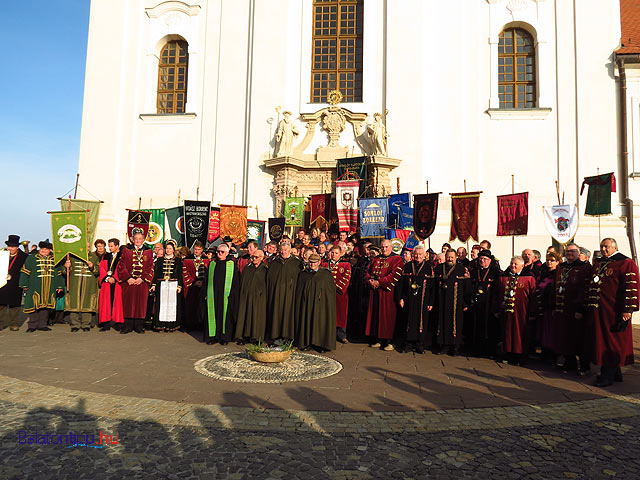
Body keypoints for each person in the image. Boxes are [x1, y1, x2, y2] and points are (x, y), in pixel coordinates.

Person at [588, 238, 639, 387]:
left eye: (607, 247)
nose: (603, 249)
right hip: (600, 311)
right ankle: (615, 373)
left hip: (615, 311)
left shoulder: (626, 263)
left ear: (615, 247)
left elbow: (632, 287)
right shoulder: (598, 263)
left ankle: (607, 375)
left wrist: (628, 309)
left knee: (612, 342)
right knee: (603, 341)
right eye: (602, 246)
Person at [553, 244, 592, 374]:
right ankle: (570, 363)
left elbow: (585, 289)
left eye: (573, 251)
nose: (569, 253)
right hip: (562, 309)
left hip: (576, 310)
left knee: (579, 338)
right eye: (567, 251)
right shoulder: (561, 267)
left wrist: (581, 309)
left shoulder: (585, 267)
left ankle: (584, 365)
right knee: (565, 337)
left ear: (578, 252)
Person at [494, 256, 536, 365]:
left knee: (520, 334)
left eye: (515, 264)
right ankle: (508, 354)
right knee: (507, 333)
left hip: (522, 313)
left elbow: (534, 297)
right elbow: (497, 295)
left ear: (522, 265)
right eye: (512, 263)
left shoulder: (529, 278)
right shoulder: (503, 278)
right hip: (506, 313)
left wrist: (532, 312)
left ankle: (520, 356)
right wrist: (497, 308)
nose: (513, 266)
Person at [365, 239, 404, 351]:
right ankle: (377, 339)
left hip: (388, 293)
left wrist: (380, 282)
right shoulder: (376, 259)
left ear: (391, 247)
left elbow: (394, 275)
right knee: (376, 316)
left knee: (387, 318)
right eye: (382, 247)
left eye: (386, 247)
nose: (384, 249)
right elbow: (368, 271)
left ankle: (389, 341)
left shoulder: (397, 259)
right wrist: (369, 281)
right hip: (375, 292)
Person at [19, 240, 64, 332]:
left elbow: (59, 273)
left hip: (50, 287)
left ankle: (42, 325)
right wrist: (24, 284)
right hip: (34, 286)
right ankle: (32, 325)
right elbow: (25, 272)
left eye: (46, 249)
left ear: (50, 250)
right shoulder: (31, 258)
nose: (43, 251)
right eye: (42, 249)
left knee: (46, 307)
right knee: (33, 306)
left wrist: (59, 286)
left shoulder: (55, 260)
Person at [295, 253, 336, 352]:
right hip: (306, 304)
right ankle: (306, 342)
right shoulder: (304, 274)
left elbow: (329, 293)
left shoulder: (326, 274)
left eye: (315, 262)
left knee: (320, 323)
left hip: (321, 305)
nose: (312, 264)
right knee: (307, 320)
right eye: (311, 262)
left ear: (319, 262)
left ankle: (320, 344)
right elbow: (300, 290)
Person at [397, 246, 434, 354]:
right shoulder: (408, 266)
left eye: (420, 254)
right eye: (416, 254)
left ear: (424, 256)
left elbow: (432, 287)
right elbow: (401, 285)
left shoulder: (428, 268)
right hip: (409, 299)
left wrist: (431, 302)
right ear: (413, 255)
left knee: (421, 321)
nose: (418, 256)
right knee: (409, 320)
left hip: (423, 301)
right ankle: (408, 343)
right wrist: (401, 298)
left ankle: (420, 344)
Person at [433, 249, 470, 355]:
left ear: (456, 258)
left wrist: (465, 303)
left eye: (452, 257)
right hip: (442, 301)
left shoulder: (461, 269)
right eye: (448, 257)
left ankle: (455, 347)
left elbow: (466, 287)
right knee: (443, 322)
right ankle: (444, 345)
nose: (450, 259)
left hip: (456, 302)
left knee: (455, 324)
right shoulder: (440, 268)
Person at [202, 243, 240, 345]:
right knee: (213, 315)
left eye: (222, 252)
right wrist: (205, 293)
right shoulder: (212, 264)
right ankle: (213, 337)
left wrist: (233, 295)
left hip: (226, 296)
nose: (219, 253)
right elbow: (206, 280)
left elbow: (236, 282)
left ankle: (224, 338)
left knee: (225, 317)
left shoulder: (231, 265)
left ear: (227, 253)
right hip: (213, 295)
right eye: (218, 251)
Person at [118, 232, 154, 334]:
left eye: (140, 239)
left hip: (141, 283)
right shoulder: (126, 250)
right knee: (128, 303)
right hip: (129, 283)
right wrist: (128, 278)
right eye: (136, 239)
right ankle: (127, 326)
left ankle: (139, 326)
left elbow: (150, 267)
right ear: (133, 239)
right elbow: (121, 265)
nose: (138, 241)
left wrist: (142, 279)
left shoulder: (148, 251)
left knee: (140, 304)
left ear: (143, 240)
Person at [266, 240, 302, 342]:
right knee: (275, 314)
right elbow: (270, 278)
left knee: (288, 315)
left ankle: (287, 336)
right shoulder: (274, 262)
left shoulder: (297, 263)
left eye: (285, 250)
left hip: (290, 295)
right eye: (281, 250)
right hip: (276, 294)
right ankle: (274, 335)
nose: (283, 252)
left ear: (290, 250)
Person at [468, 249, 501, 357]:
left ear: (490, 261)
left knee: (489, 327)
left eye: (485, 259)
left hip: (489, 304)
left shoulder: (495, 272)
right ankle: (476, 349)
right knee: (476, 326)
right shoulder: (473, 271)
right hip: (476, 304)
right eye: (481, 259)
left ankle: (489, 350)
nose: (482, 261)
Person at [532, 251, 562, 364]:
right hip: (542, 305)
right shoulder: (543, 272)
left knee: (552, 331)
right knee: (543, 330)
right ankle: (544, 352)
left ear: (558, 262)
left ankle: (553, 354)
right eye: (548, 260)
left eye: (552, 260)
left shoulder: (558, 273)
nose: (549, 262)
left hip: (552, 306)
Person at [235, 249, 268, 344]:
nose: (254, 259)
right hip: (246, 296)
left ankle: (256, 337)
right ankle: (243, 336)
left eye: (256, 257)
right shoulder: (247, 268)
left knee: (257, 317)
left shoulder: (265, 269)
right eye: (253, 257)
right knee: (245, 316)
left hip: (259, 297)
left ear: (262, 258)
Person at [63, 246, 100, 332]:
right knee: (74, 304)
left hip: (89, 284)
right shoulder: (71, 257)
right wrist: (66, 266)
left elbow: (98, 271)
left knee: (87, 303)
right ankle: (75, 325)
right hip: (74, 284)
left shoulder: (94, 257)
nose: (86, 248)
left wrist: (92, 266)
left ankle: (86, 324)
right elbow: (64, 272)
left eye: (88, 246)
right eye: (85, 246)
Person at [151, 240, 183, 331]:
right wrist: (154, 284)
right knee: (161, 304)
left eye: (170, 248)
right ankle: (160, 324)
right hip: (162, 284)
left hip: (173, 284)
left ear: (173, 250)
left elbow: (180, 274)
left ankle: (171, 325)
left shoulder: (178, 261)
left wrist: (179, 285)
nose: (168, 250)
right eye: (167, 248)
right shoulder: (160, 260)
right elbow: (156, 273)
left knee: (172, 304)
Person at [0, 235, 28, 331]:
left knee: (15, 305)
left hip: (16, 283)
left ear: (17, 247)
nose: (10, 249)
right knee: (1, 305)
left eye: (12, 247)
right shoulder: (2, 254)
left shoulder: (24, 257)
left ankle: (14, 323)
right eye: (9, 246)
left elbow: (25, 271)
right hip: (2, 283)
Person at [325, 245, 351, 343]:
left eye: (336, 253)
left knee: (341, 314)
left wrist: (335, 287)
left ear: (340, 254)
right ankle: (329, 334)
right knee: (328, 313)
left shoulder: (345, 265)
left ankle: (342, 335)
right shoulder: (324, 264)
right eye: (332, 252)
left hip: (340, 294)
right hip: (327, 293)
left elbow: (346, 278)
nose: (334, 255)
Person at [182, 240, 210, 332]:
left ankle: (200, 325)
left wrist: (203, 282)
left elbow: (208, 273)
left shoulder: (206, 260)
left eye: (198, 249)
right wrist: (193, 282)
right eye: (195, 249)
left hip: (202, 287)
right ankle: (190, 325)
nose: (196, 251)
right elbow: (185, 272)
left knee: (201, 306)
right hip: (191, 287)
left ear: (202, 250)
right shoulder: (187, 259)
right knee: (190, 306)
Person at [98, 238, 124, 331]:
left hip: (117, 284)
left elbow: (122, 268)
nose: (109, 248)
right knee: (106, 303)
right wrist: (107, 278)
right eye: (109, 246)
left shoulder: (122, 256)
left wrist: (115, 277)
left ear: (117, 246)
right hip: (107, 283)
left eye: (111, 246)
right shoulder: (106, 256)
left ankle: (118, 323)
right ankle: (105, 324)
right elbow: (101, 267)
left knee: (117, 303)